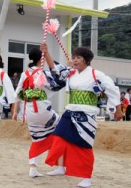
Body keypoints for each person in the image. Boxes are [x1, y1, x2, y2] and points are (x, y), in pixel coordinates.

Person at [45, 47, 123, 187]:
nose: (75, 60)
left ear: (86, 60)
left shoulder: (96, 74)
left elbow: (112, 89)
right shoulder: (70, 73)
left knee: (84, 146)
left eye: (78, 57)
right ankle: (60, 167)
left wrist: (118, 109)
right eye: (74, 57)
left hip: (86, 115)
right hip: (70, 111)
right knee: (58, 137)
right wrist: (46, 52)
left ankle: (86, 177)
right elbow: (55, 68)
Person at [12, 44, 68, 177]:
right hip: (43, 110)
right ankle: (60, 166)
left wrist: (14, 111)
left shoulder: (25, 74)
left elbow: (18, 92)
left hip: (29, 111)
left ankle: (33, 168)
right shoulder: (43, 73)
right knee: (61, 133)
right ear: (41, 59)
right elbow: (58, 83)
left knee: (36, 139)